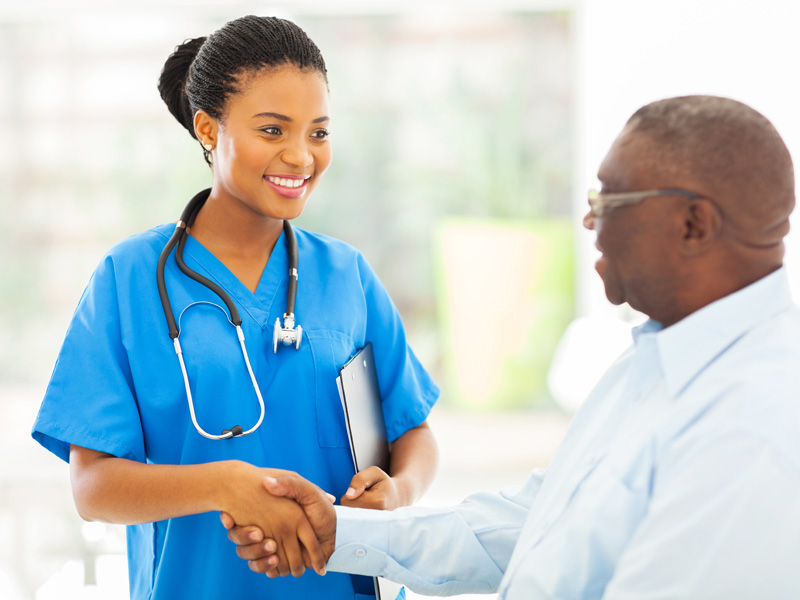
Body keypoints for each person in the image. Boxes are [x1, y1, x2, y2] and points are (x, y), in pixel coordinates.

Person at [223, 95, 800, 599]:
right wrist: (341, 532)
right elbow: (535, 525)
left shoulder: (752, 427)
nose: (587, 220)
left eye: (609, 202)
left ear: (693, 224)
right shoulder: (648, 365)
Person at [31, 15, 439, 600]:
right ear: (207, 128)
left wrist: (396, 493)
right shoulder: (129, 279)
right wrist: (224, 485)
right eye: (273, 130)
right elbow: (92, 488)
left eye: (318, 133)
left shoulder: (346, 274)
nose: (301, 156)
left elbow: (415, 432)